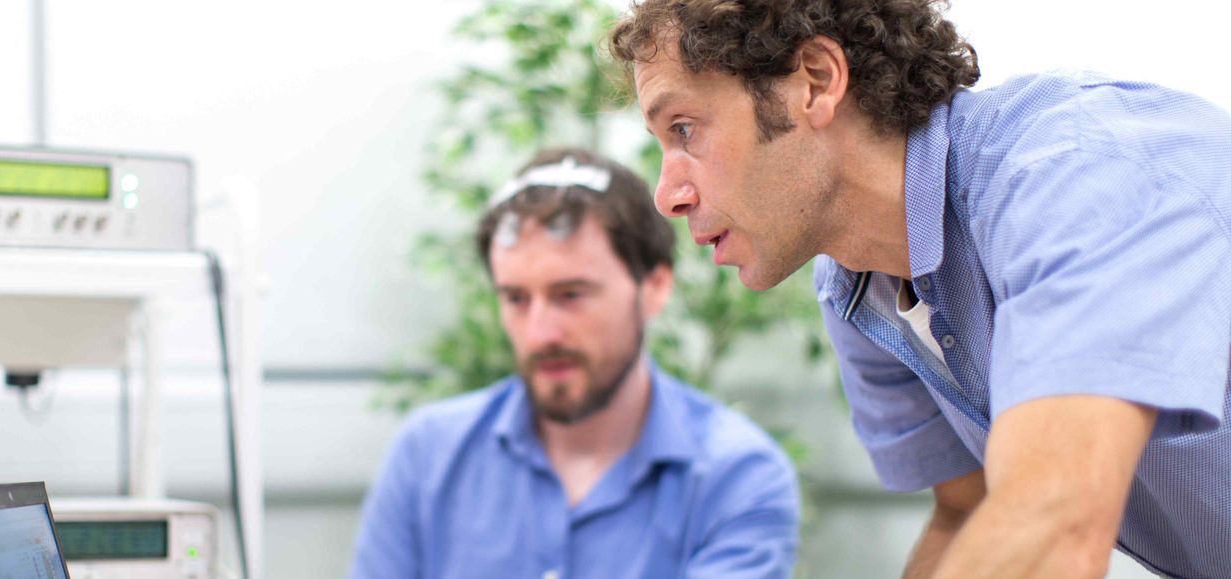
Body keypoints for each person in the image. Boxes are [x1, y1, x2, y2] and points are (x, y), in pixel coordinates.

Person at [610, 0, 1231, 577]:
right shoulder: (858, 286)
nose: (668, 196)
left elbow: (1052, 527)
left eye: (685, 129)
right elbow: (969, 511)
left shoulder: (1077, 169)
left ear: (816, 81)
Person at [350, 148, 799, 578]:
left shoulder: (737, 478)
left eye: (570, 295)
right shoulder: (428, 457)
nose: (541, 333)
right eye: (516, 298)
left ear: (655, 287)